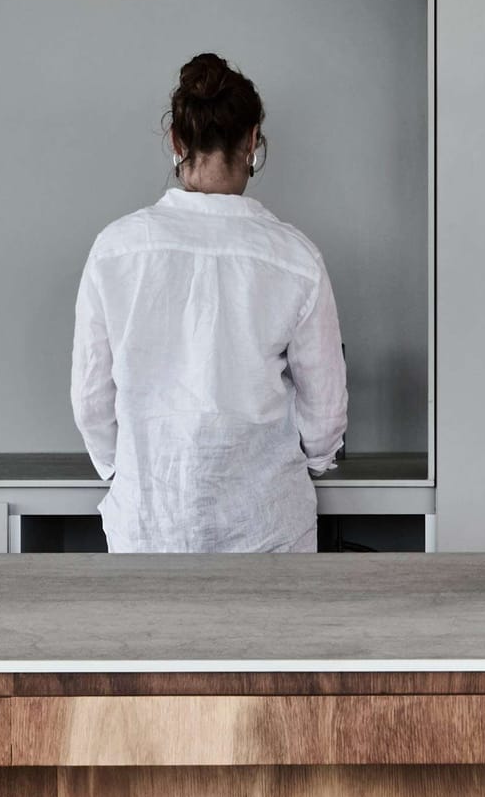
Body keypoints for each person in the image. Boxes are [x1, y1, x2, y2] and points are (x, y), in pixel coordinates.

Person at [71, 53, 347, 553]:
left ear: (176, 142)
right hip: (267, 528)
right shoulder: (295, 257)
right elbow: (325, 414)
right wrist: (316, 460)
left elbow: (91, 400)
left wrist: (127, 468)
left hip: (149, 526)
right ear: (252, 141)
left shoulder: (117, 249)